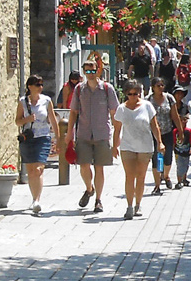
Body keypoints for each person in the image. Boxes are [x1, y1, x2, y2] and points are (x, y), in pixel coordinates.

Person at [66, 54, 119, 214]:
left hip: (102, 133)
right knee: (83, 166)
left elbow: (114, 113)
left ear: (98, 71)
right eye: (87, 71)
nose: (90, 74)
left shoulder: (107, 89)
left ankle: (98, 200)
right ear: (83, 72)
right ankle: (89, 189)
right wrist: (69, 133)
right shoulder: (79, 89)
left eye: (92, 71)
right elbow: (73, 112)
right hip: (83, 133)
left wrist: (116, 138)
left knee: (99, 168)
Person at [112, 81, 161, 220]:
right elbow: (117, 129)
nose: (133, 97)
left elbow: (154, 126)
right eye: (130, 94)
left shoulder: (147, 106)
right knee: (129, 176)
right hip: (127, 146)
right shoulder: (121, 108)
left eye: (136, 94)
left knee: (141, 176)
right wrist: (114, 146)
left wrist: (160, 142)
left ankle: (138, 204)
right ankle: (129, 206)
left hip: (145, 146)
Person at [15, 75, 62, 215]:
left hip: (43, 138)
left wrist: (58, 139)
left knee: (39, 169)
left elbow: (53, 121)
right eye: (37, 84)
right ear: (30, 87)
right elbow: (17, 121)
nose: (40, 87)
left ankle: (37, 200)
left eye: (41, 84)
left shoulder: (46, 101)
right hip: (28, 139)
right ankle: (33, 198)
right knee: (31, 171)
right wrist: (27, 119)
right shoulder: (22, 102)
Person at [146, 78, 182, 195]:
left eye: (162, 85)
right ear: (153, 87)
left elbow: (175, 116)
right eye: (158, 85)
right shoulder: (148, 100)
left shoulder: (169, 98)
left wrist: (180, 131)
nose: (161, 87)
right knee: (156, 159)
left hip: (167, 132)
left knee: (168, 158)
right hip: (153, 134)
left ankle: (165, 176)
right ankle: (157, 185)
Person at [171, 85, 191, 188]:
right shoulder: (170, 105)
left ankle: (183, 178)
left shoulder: (185, 106)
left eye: (181, 93)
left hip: (182, 135)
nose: (179, 95)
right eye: (177, 93)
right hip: (171, 132)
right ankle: (164, 174)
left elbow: (187, 116)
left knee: (183, 159)